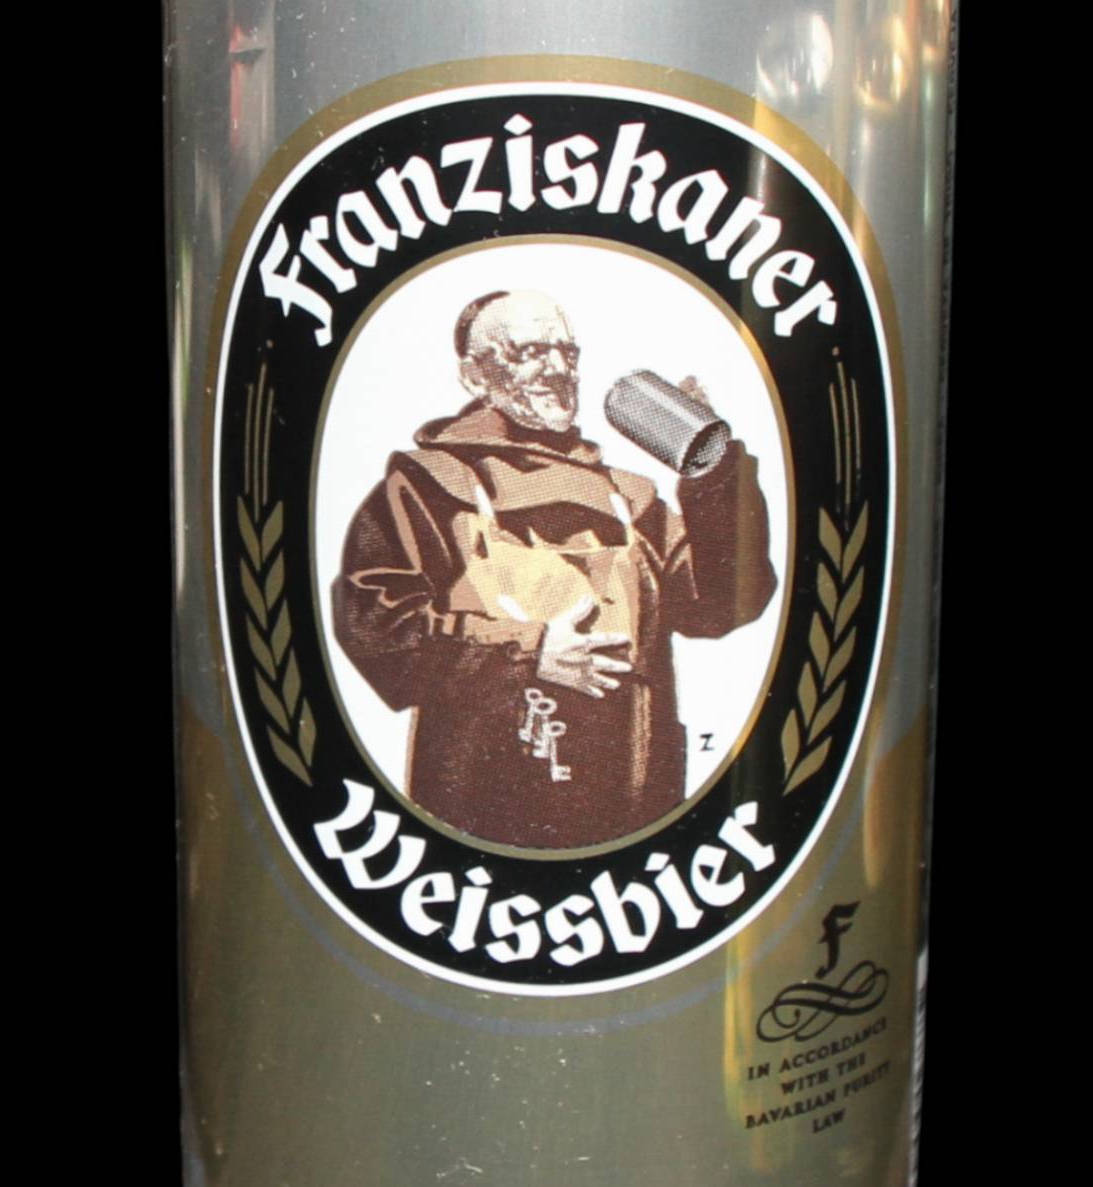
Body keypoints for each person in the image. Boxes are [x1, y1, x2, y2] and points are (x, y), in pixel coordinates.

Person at [331, 288, 777, 848]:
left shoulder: (630, 497)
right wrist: (529, 652)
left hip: (637, 803)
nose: (558, 368)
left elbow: (724, 605)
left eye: (568, 352)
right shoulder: (429, 487)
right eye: (529, 351)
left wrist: (714, 479)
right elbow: (375, 629)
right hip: (483, 812)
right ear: (474, 376)